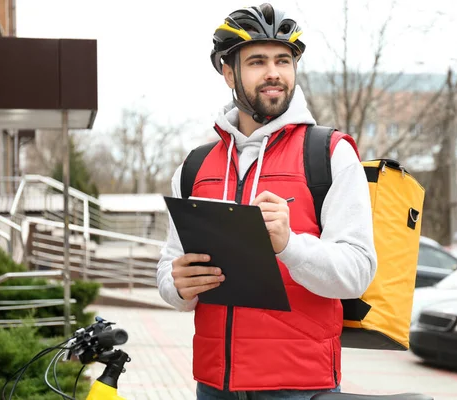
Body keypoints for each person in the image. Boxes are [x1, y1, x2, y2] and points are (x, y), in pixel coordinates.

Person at [156, 3, 377, 399]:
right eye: (257, 61)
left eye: (283, 60)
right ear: (228, 72)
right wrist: (178, 285)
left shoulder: (328, 154)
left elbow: (358, 271)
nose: (273, 72)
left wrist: (289, 244)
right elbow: (168, 268)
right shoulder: (195, 166)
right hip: (214, 385)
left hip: (297, 387)